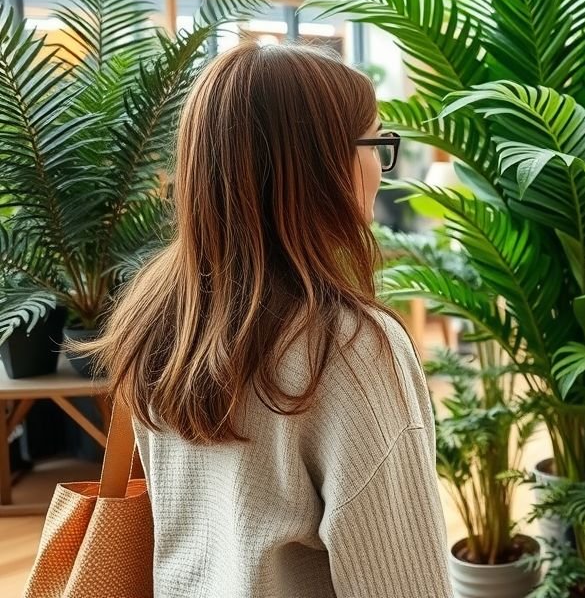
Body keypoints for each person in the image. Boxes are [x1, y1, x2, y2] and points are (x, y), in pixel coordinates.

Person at [87, 43, 452, 597]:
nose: (380, 165)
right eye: (376, 143)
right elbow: (403, 583)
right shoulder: (349, 347)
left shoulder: (158, 310)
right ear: (322, 165)